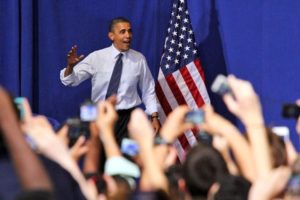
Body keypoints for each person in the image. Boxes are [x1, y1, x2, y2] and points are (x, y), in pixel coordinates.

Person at [60, 17, 160, 144]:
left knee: (127, 158)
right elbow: (70, 80)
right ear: (111, 36)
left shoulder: (139, 59)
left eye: (130, 31)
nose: (128, 35)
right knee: (100, 158)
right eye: (123, 32)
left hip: (128, 121)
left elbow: (148, 89)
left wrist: (154, 116)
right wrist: (70, 67)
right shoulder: (97, 57)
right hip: (101, 117)